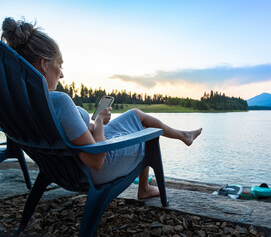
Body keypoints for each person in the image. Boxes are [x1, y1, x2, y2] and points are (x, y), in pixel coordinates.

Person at [1, 17, 202, 199]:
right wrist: (98, 122)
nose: (62, 75)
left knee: (135, 114)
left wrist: (94, 126)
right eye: (60, 65)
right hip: (92, 170)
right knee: (148, 132)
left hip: (59, 169)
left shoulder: (16, 105)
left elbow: (65, 136)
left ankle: (183, 135)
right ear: (44, 64)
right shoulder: (59, 101)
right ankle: (145, 188)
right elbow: (96, 159)